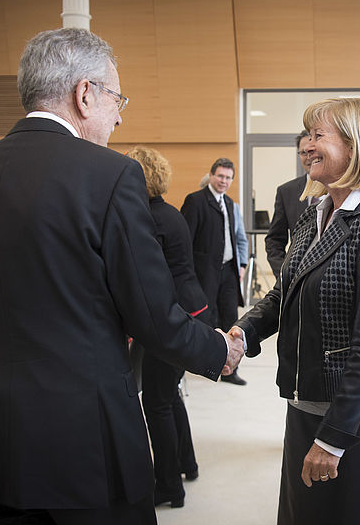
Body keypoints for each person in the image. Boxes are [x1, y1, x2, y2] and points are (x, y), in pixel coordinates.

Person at [0, 28, 243, 525]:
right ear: (84, 94)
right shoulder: (111, 176)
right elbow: (152, 315)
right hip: (88, 451)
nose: (119, 116)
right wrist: (216, 349)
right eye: (117, 99)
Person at [231, 97, 360, 525]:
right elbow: (285, 291)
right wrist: (243, 332)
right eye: (308, 136)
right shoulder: (316, 211)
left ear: (355, 146)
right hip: (309, 399)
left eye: (318, 136)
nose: (306, 146)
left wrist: (333, 438)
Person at [126, 146, 207, 509]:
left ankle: (169, 486)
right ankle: (187, 464)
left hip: (173, 318)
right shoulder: (168, 212)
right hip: (192, 309)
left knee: (156, 402)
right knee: (168, 393)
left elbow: (145, 278)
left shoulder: (147, 219)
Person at [181, 158, 247, 386]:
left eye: (228, 177)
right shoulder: (195, 201)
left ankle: (229, 370)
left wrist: (240, 266)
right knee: (206, 320)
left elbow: (234, 237)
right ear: (210, 176)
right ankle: (206, 366)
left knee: (230, 319)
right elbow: (185, 241)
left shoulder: (229, 203)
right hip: (204, 273)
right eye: (220, 176)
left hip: (228, 271)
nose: (224, 181)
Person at [265, 130, 313, 278]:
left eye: (312, 151)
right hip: (296, 278)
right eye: (303, 153)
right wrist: (283, 274)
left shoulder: (339, 188)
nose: (309, 157)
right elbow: (274, 240)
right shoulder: (286, 192)